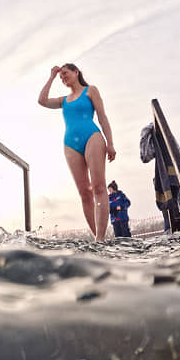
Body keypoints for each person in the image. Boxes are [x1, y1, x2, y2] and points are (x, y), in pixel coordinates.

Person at [38, 63, 116, 242]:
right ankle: (97, 237)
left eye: (65, 73)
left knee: (98, 186)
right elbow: (42, 100)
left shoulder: (90, 91)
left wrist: (110, 143)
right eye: (61, 76)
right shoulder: (63, 100)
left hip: (92, 137)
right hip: (70, 144)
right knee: (84, 192)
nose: (63, 77)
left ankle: (100, 239)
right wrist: (51, 76)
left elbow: (103, 117)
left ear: (76, 72)